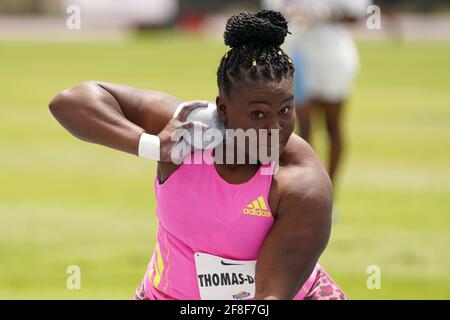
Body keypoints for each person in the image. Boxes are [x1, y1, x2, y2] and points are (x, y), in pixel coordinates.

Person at [49, 10, 347, 300]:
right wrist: (154, 145)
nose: (274, 128)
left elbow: (270, 294)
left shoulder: (302, 183)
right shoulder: (186, 127)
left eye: (285, 110)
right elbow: (71, 102)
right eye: (258, 114)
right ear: (223, 109)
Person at [263, 0, 371, 185]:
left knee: (333, 126)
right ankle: (306, 188)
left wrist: (327, 12)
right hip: (299, 55)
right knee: (302, 127)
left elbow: (358, 13)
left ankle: (330, 191)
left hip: (333, 57)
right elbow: (271, 12)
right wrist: (293, 11)